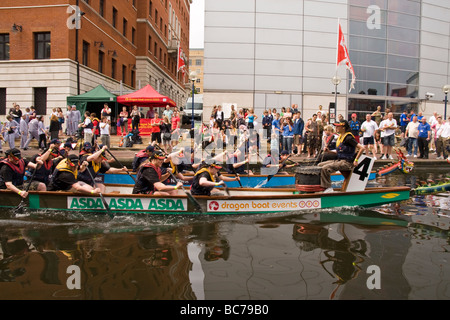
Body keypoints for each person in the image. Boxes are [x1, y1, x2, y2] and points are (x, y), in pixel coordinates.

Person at [318, 120, 364, 193]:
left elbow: (362, 148)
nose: (336, 128)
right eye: (336, 126)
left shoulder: (348, 138)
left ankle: (328, 188)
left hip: (347, 163)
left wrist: (356, 160)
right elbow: (339, 151)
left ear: (343, 127)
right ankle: (321, 187)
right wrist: (329, 151)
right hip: (339, 160)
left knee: (325, 168)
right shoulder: (341, 137)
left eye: (338, 126)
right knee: (319, 165)